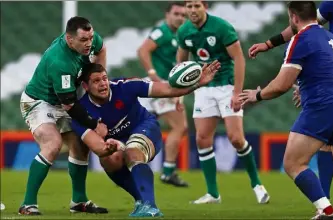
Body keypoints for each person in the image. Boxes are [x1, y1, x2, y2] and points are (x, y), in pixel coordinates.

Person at [240, 2, 333, 219]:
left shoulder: (300, 40)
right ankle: (328, 209)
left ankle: (326, 210)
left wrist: (256, 96)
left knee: (293, 163)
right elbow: (327, 75)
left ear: (293, 17)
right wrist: (305, 89)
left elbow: (281, 85)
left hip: (323, 107)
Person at [71, 61, 220, 217]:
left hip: (145, 128)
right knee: (109, 160)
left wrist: (198, 84)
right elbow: (98, 148)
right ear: (85, 86)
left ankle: (150, 207)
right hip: (119, 142)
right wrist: (110, 146)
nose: (103, 84)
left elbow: (168, 89)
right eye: (96, 81)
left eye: (104, 78)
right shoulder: (81, 113)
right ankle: (141, 201)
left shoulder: (125, 86)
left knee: (133, 151)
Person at [176, 0, 270, 204]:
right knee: (202, 138)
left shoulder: (221, 27)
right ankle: (213, 194)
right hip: (202, 87)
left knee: (236, 138)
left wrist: (237, 93)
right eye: (189, 6)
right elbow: (181, 63)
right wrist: (179, 94)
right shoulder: (184, 31)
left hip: (226, 86)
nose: (192, 10)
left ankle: (257, 185)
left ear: (205, 7)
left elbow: (239, 58)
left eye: (196, 6)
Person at [19, 16, 108, 215]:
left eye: (90, 38)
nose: (89, 43)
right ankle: (27, 204)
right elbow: (69, 104)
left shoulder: (91, 40)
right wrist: (94, 124)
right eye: (84, 40)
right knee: (52, 144)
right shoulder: (60, 62)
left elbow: (101, 49)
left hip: (64, 100)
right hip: (38, 102)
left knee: (79, 144)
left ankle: (78, 201)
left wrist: (98, 73)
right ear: (69, 40)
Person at [137, 2, 189, 187]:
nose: (180, 17)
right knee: (179, 126)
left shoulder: (183, 35)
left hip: (169, 88)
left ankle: (127, 165)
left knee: (143, 127)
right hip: (159, 87)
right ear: (167, 15)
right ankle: (167, 171)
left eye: (183, 15)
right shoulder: (163, 32)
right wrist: (153, 75)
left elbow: (181, 68)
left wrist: (179, 95)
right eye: (176, 13)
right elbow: (143, 50)